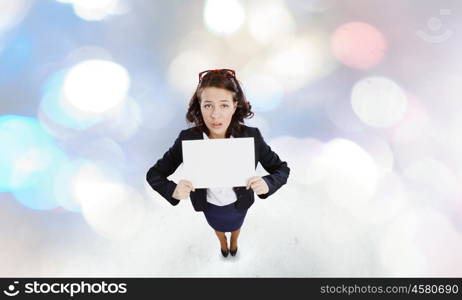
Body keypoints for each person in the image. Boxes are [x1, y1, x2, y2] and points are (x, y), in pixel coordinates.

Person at [146, 69, 290, 258]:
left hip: (240, 203)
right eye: (208, 106)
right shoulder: (187, 139)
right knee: (218, 228)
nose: (215, 115)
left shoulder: (251, 136)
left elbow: (282, 169)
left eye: (223, 105)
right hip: (209, 206)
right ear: (200, 106)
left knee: (236, 226)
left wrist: (267, 183)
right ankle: (222, 242)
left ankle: (235, 241)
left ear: (234, 105)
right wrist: (172, 190)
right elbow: (154, 174)